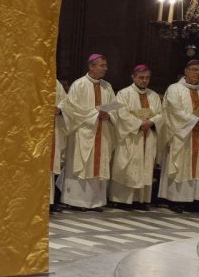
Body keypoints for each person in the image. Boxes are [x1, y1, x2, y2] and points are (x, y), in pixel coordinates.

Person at [58, 53, 116, 210]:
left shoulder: (107, 86)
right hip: (83, 133)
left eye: (106, 65)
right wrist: (96, 113)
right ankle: (77, 201)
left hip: (102, 132)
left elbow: (114, 107)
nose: (105, 68)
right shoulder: (79, 85)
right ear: (91, 66)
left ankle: (95, 202)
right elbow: (72, 109)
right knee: (81, 164)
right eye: (102, 65)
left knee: (99, 165)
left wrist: (109, 115)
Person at [159, 58, 199, 212]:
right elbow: (174, 111)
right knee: (182, 165)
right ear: (186, 71)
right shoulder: (174, 89)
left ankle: (197, 200)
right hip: (182, 137)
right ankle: (177, 200)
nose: (197, 73)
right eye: (194, 70)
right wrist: (195, 120)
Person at [108, 64, 163, 208]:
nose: (144, 81)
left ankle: (140, 200)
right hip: (131, 137)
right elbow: (121, 114)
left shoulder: (154, 96)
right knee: (127, 166)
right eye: (141, 78)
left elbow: (161, 114)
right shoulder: (123, 94)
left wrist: (151, 122)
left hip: (147, 136)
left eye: (147, 78)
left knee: (144, 167)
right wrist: (139, 124)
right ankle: (122, 200)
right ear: (133, 77)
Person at [50, 80, 68, 210]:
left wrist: (59, 108)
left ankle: (50, 202)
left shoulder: (55, 82)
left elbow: (65, 101)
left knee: (51, 166)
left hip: (53, 129)